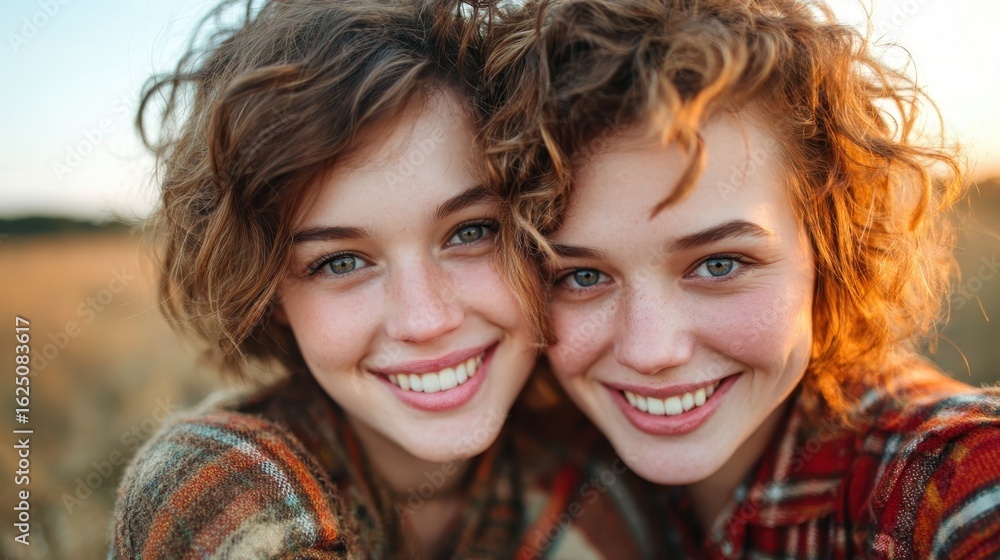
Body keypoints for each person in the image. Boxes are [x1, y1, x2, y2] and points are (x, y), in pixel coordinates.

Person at [110, 0, 659, 558]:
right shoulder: (218, 487)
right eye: (341, 262)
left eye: (470, 232)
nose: (426, 320)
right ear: (269, 293)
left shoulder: (610, 471)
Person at [483, 0, 1000, 557]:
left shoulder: (953, 478)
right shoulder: (539, 467)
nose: (651, 352)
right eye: (583, 276)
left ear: (830, 246)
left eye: (719, 264)